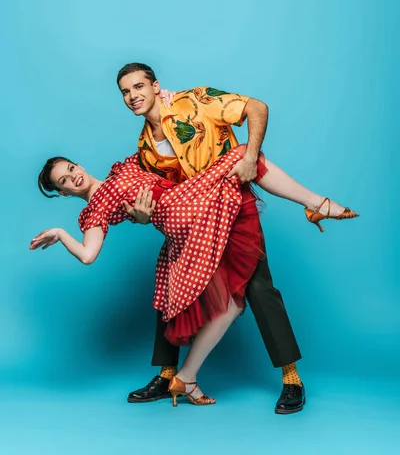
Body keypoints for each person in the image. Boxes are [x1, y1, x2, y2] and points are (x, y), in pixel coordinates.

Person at [116, 63, 358, 413]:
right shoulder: (145, 148)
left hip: (232, 206)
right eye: (125, 91)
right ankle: (168, 375)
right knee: (168, 279)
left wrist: (248, 157)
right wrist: (142, 216)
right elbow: (162, 199)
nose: (133, 96)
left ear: (155, 86)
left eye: (138, 86)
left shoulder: (195, 100)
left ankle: (291, 378)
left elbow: (256, 108)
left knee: (259, 287)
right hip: (197, 223)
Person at [31, 145, 282, 406]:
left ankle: (186, 379)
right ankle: (318, 205)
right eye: (65, 181)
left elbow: (160, 146)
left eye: (71, 169)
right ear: (63, 192)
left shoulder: (123, 168)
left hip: (192, 200)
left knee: (243, 156)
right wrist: (61, 233)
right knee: (240, 155)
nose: (74, 178)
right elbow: (87, 254)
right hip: (189, 218)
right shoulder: (96, 208)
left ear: (79, 165)